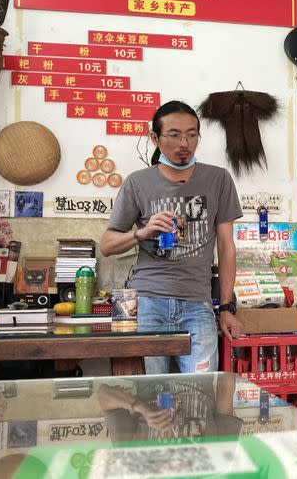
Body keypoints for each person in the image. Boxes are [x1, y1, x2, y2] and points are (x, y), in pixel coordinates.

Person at [100, 100, 243, 374]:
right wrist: (143, 232)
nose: (184, 143)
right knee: (154, 400)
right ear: (155, 138)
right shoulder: (138, 182)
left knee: (201, 395)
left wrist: (226, 307)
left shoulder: (219, 180)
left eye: (192, 134)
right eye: (174, 135)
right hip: (148, 302)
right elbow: (106, 245)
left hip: (197, 305)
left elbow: (227, 248)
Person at [97, 372, 241, 444]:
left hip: (151, 374)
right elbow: (225, 393)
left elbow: (103, 394)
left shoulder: (134, 460)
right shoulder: (217, 460)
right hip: (197, 374)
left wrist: (140, 407)